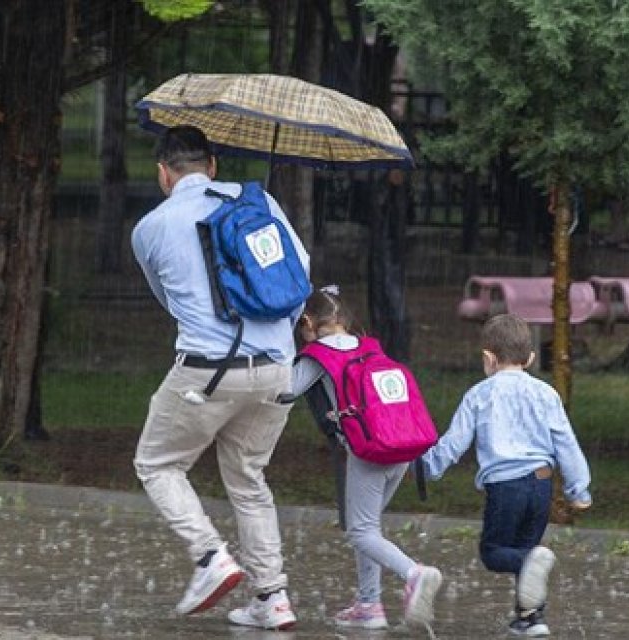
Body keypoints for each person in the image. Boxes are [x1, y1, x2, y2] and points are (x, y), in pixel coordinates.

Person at [130, 125, 309, 631]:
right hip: (278, 369)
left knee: (157, 463)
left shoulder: (151, 227)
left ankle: (211, 557)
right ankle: (273, 597)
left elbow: (167, 300)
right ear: (212, 166)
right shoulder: (260, 204)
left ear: (163, 174)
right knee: (250, 481)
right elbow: (301, 275)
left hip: (207, 371)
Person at [416, 313, 592, 637]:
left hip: (506, 487)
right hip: (541, 483)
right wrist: (578, 490)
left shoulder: (479, 395)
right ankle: (531, 619)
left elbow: (454, 442)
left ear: (488, 358)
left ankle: (530, 589)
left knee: (495, 552)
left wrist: (427, 467)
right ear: (531, 358)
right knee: (528, 550)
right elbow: (566, 442)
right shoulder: (547, 394)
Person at [288, 285, 443, 632]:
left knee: (361, 531)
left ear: (309, 322)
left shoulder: (318, 355)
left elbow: (285, 390)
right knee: (369, 527)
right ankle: (369, 604)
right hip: (399, 447)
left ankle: (415, 574)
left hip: (367, 452)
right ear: (344, 319)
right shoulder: (369, 346)